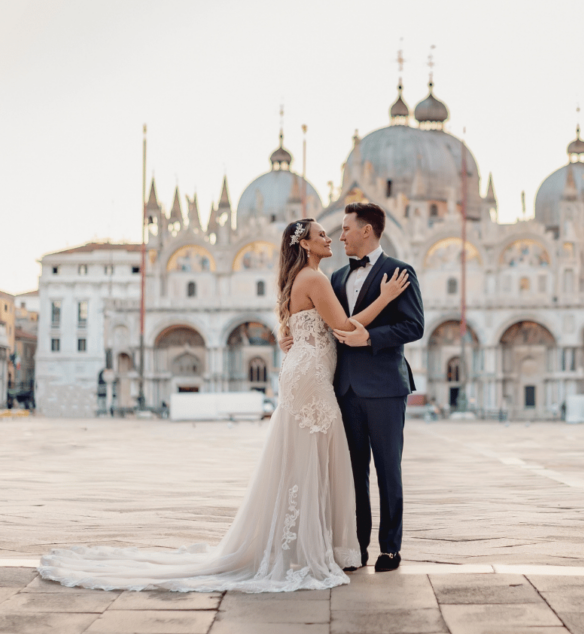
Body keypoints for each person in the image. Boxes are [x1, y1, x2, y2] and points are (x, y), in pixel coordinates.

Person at [38, 217, 408, 593]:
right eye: (321, 235)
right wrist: (385, 298)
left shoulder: (300, 279)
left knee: (303, 459)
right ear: (305, 246)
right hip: (311, 379)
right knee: (316, 458)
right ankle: (315, 547)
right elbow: (344, 328)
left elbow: (302, 329)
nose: (330, 237)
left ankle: (302, 544)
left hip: (304, 373)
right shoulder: (314, 279)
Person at [282, 202, 424, 572]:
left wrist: (370, 339)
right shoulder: (335, 278)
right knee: (354, 471)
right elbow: (332, 326)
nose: (340, 235)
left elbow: (414, 327)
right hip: (342, 387)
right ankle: (355, 549)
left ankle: (390, 548)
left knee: (389, 470)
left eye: (345, 228)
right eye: (335, 231)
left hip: (385, 386)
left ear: (367, 230)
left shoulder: (399, 272)